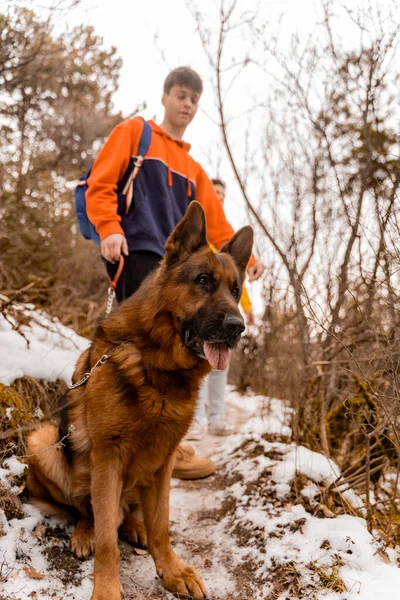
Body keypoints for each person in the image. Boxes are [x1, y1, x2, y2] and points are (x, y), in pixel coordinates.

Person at [86, 66, 265, 479]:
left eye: (194, 100)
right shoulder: (135, 134)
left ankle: (166, 446)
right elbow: (101, 183)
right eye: (182, 95)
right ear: (165, 96)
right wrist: (109, 229)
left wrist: (248, 263)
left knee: (179, 357)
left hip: (186, 267)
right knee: (134, 352)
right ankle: (115, 435)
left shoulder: (194, 168)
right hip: (140, 251)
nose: (187, 105)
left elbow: (217, 225)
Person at [186, 179, 255, 440]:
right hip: (202, 312)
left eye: (223, 194)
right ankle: (196, 420)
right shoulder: (197, 239)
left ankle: (216, 418)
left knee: (219, 366)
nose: (220, 198)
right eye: (215, 193)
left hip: (224, 312)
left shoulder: (225, 238)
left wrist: (246, 307)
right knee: (200, 362)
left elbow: (235, 285)